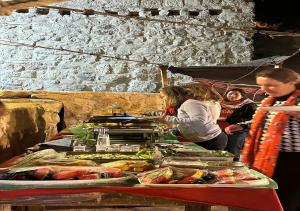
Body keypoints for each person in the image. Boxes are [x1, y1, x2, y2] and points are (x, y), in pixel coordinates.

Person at [241, 65, 300, 211]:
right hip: (266, 155)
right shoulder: (269, 101)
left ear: (291, 83)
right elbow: (260, 122)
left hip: (293, 159)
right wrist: (241, 126)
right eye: (261, 85)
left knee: (288, 197)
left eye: (270, 85)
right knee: (270, 194)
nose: (264, 89)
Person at [157, 86, 227, 150]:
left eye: (163, 96)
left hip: (212, 140)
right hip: (203, 140)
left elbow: (199, 121)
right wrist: (176, 130)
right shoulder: (184, 104)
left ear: (171, 95)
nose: (163, 99)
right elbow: (188, 122)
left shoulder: (190, 103)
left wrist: (168, 119)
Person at [219, 88, 257, 161]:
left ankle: (233, 169)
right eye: (230, 94)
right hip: (221, 129)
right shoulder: (221, 103)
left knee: (232, 151)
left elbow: (253, 119)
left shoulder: (249, 105)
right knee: (221, 151)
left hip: (237, 131)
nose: (232, 95)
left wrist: (227, 119)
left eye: (236, 94)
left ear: (242, 96)